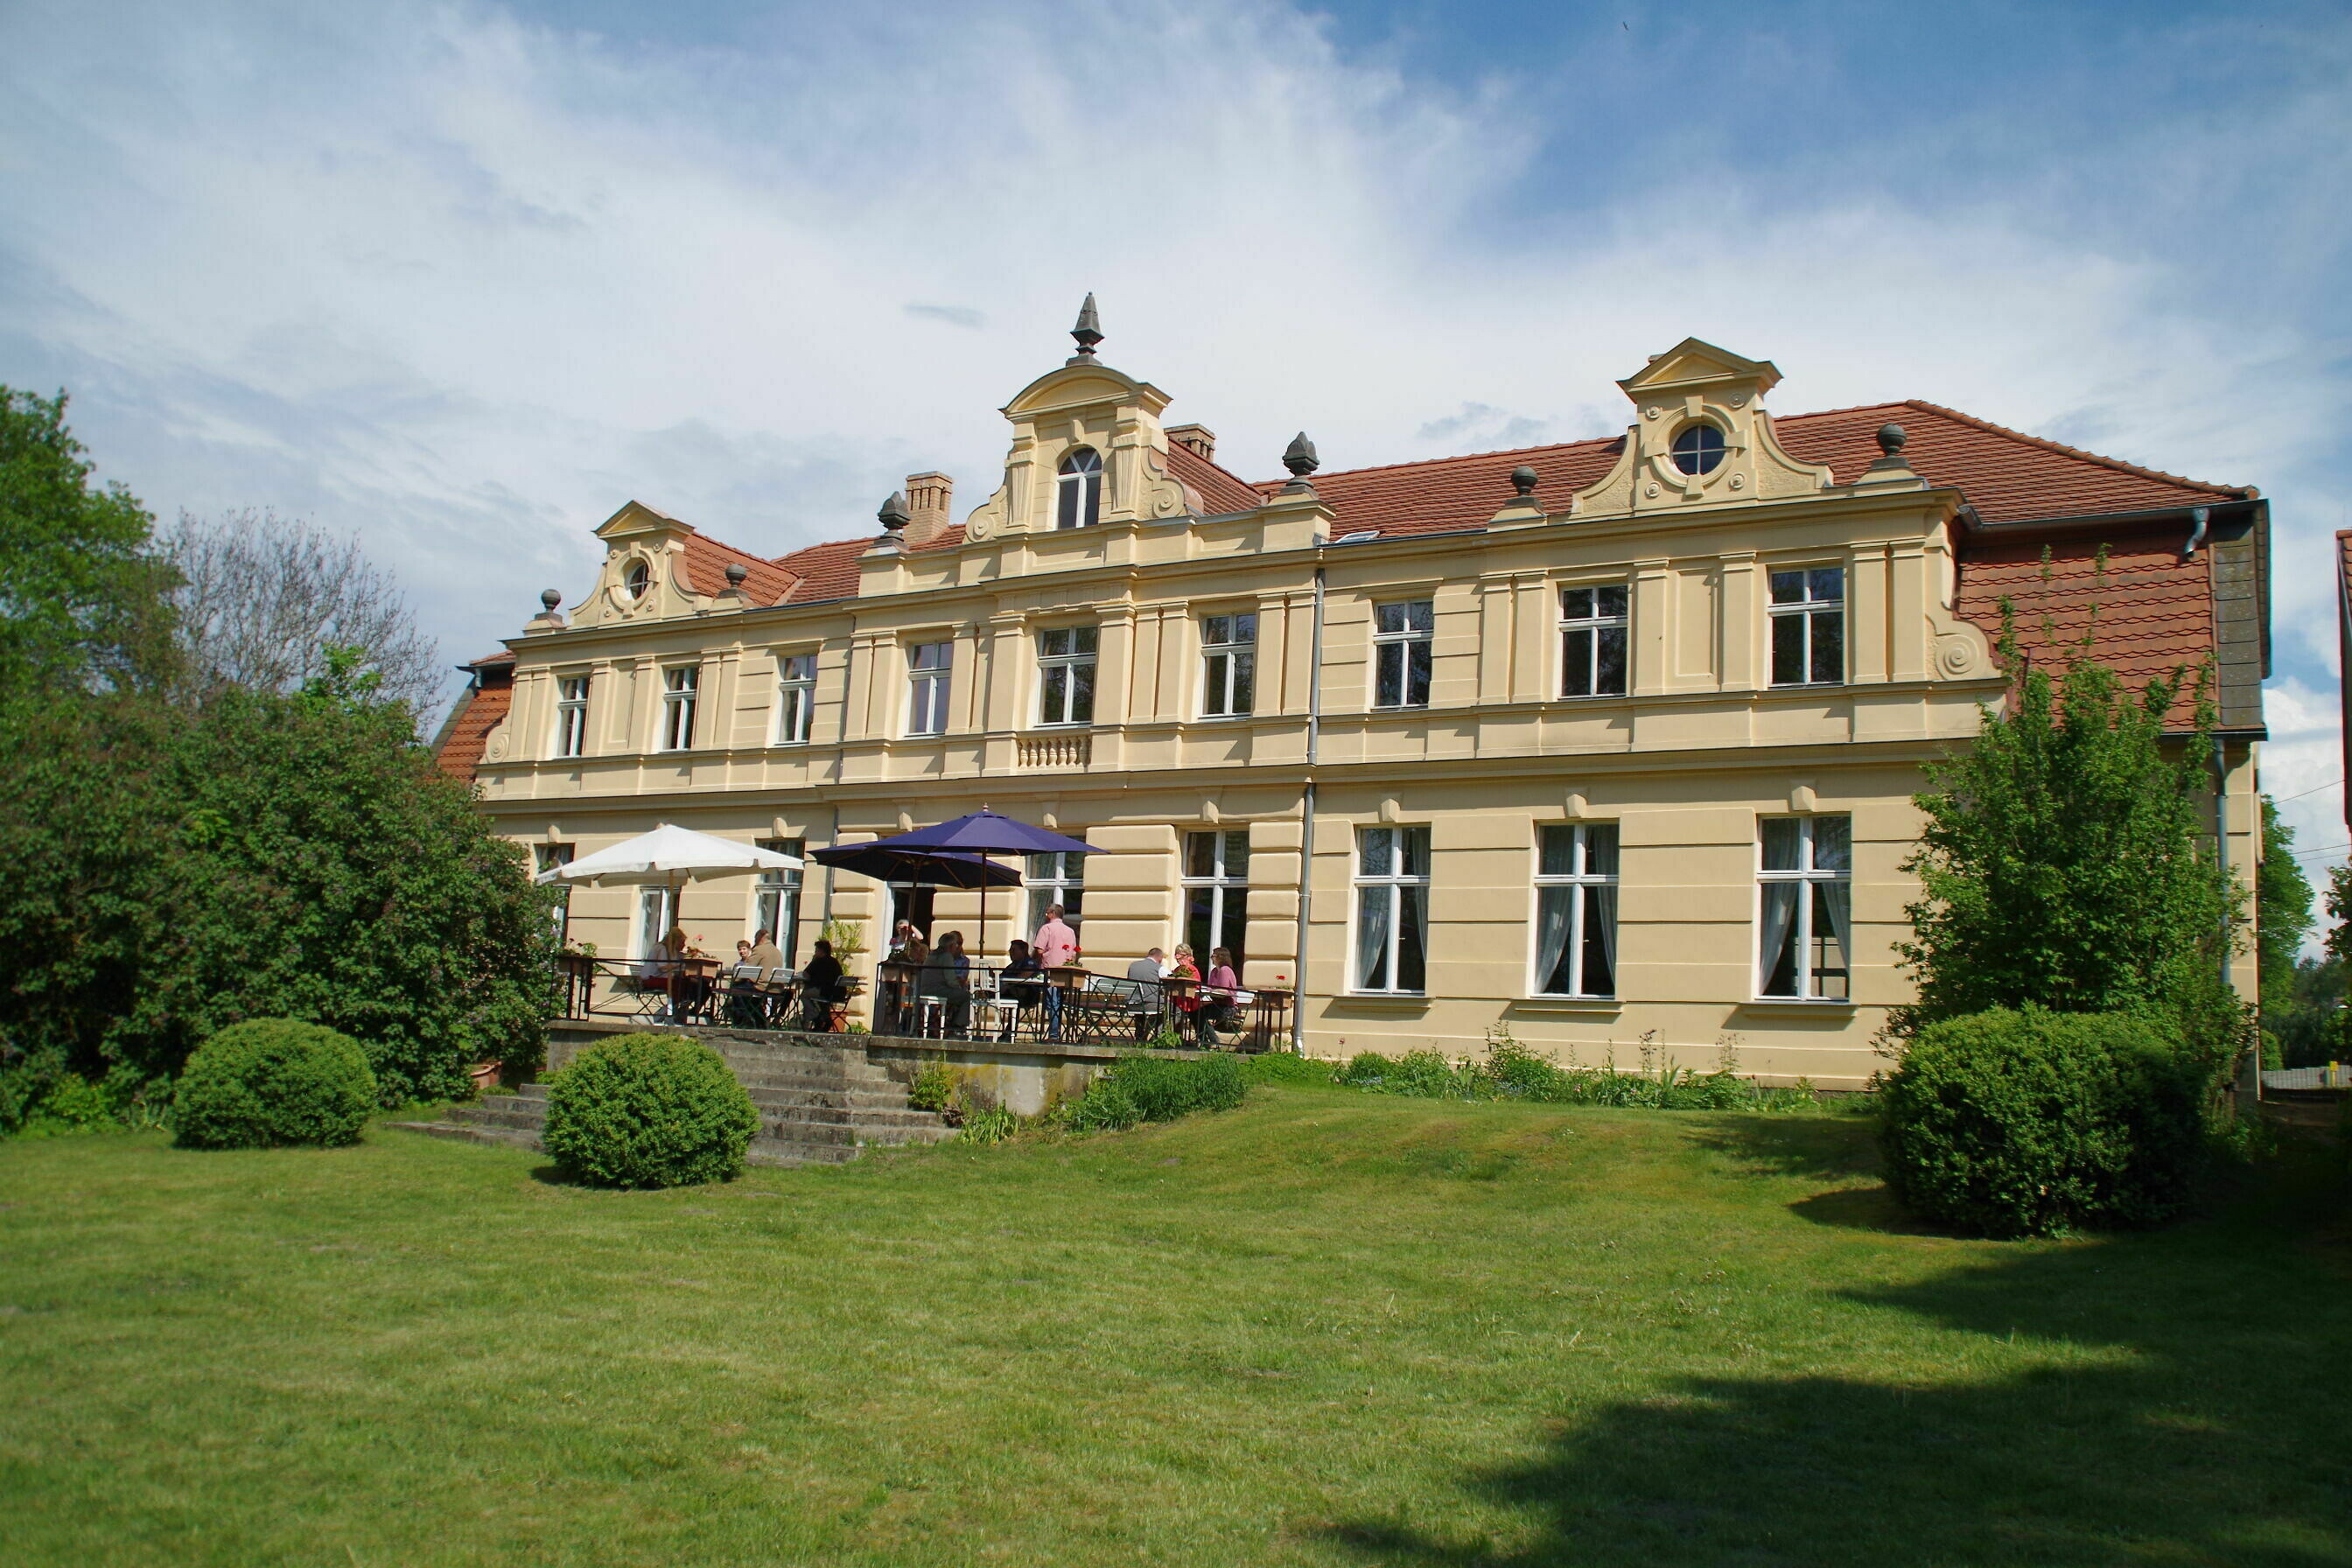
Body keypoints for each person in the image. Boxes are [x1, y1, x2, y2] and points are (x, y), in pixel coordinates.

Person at [1032, 905, 1078, 1040]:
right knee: (1058, 1003)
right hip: (1066, 972)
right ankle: (1057, 1033)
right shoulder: (1070, 931)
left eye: (1047, 913)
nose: (1046, 915)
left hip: (1050, 971)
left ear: (1052, 913)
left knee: (1052, 1003)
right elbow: (1074, 954)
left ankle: (1053, 1034)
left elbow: (1039, 950)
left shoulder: (1046, 928)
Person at [920, 930, 973, 1038]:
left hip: (924, 989)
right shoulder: (946, 956)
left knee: (958, 996)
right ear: (951, 946)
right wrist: (959, 989)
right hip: (936, 990)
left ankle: (948, 1025)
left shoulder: (932, 954)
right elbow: (951, 980)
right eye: (955, 945)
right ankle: (957, 1027)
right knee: (966, 996)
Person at [997, 939, 1044, 1039]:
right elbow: (1001, 977)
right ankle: (1007, 1031)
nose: (1011, 952)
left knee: (1012, 994)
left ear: (1023, 951)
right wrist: (993, 975)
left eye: (1014, 950)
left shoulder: (1029, 963)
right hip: (1012, 993)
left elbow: (1024, 976)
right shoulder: (1012, 965)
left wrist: (1008, 986)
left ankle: (1010, 1031)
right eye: (1010, 950)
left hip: (1027, 996)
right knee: (989, 993)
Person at [1197, 946, 1242, 1048]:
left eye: (1213, 955)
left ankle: (1212, 1041)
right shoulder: (1214, 971)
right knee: (1196, 1013)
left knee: (1199, 1014)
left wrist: (1210, 991)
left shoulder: (1225, 970)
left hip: (1228, 1008)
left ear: (1220, 957)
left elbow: (1223, 990)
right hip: (1218, 1005)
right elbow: (1210, 988)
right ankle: (1206, 1041)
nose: (1211, 958)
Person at [797, 938, 844, 1032]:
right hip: (838, 993)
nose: (815, 952)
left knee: (804, 995)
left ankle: (814, 1014)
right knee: (822, 1001)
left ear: (821, 951)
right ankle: (825, 1020)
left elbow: (806, 974)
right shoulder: (834, 962)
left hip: (824, 992)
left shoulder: (818, 961)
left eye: (816, 950)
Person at [1127, 947, 1169, 1041]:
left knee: (1142, 1011)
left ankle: (1139, 1037)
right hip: (1150, 1005)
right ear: (1160, 958)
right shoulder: (1160, 968)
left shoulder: (1133, 966)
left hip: (1132, 1004)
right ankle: (1157, 1037)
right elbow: (1171, 982)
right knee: (1173, 1009)